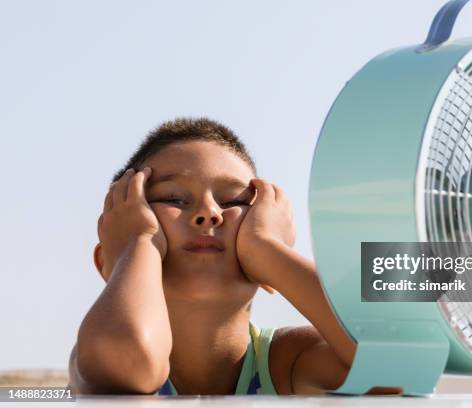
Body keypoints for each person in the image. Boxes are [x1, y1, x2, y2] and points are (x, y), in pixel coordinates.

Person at [68, 117, 397, 395]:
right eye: (174, 198)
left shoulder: (288, 362)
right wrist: (140, 242)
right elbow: (132, 360)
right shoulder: (99, 348)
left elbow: (400, 368)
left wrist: (270, 252)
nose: (210, 213)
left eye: (232, 202)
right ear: (109, 262)